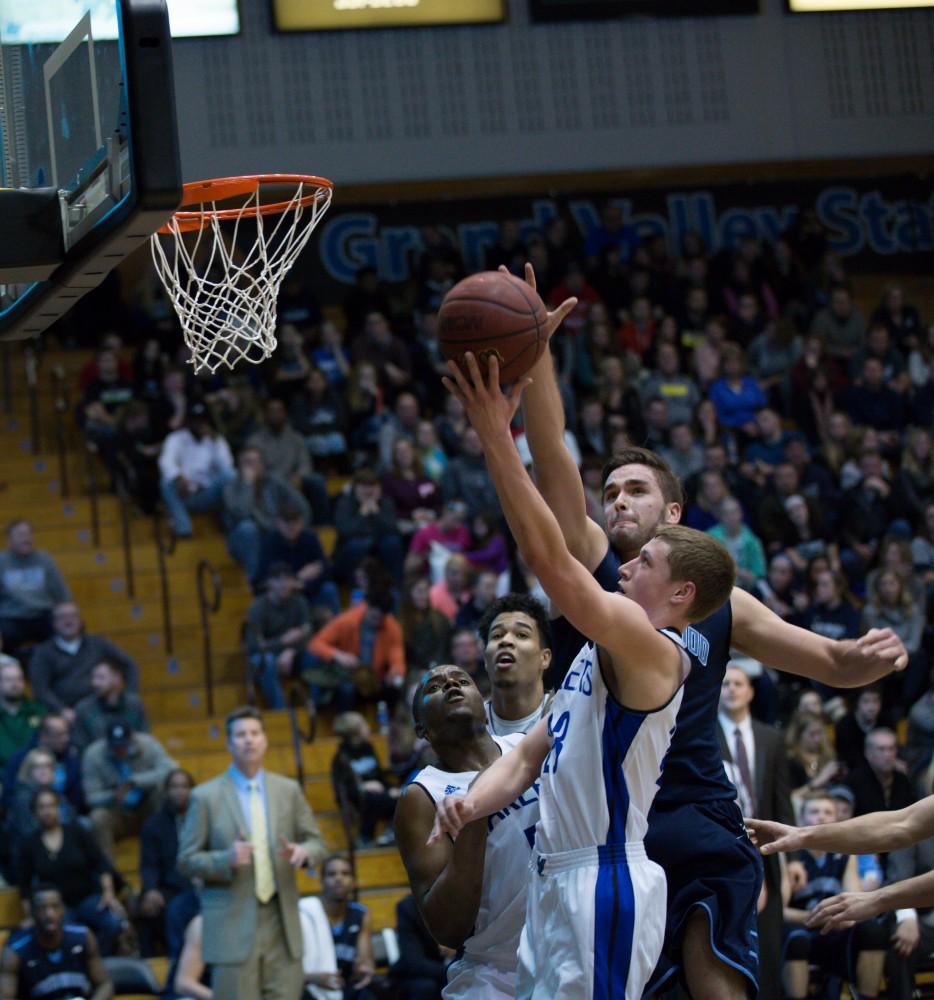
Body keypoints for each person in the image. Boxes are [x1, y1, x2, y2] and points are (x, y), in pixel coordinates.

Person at [510, 262, 906, 1000]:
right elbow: (554, 453)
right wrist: (536, 351)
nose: (616, 502)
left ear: (674, 513)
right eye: (611, 492)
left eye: (635, 491)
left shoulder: (722, 602)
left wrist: (862, 657)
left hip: (695, 812)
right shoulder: (595, 570)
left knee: (713, 981)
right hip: (601, 835)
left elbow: (827, 661)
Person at [433, 351, 738, 999]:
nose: (625, 565)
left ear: (681, 593)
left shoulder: (654, 647)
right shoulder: (591, 654)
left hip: (602, 882)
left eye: (647, 561)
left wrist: (495, 438)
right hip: (555, 883)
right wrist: (471, 803)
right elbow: (530, 755)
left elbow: (550, 557)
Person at [395, 664, 540, 998]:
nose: (451, 686)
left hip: (567, 940)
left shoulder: (525, 746)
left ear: (485, 708)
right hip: (497, 971)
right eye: (434, 688)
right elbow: (448, 928)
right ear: (421, 730)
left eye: (462, 681)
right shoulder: (422, 795)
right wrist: (475, 814)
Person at [177, 706, 328, 1000]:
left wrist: (303, 851)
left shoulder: (288, 790)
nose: (249, 740)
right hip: (231, 921)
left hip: (281, 919)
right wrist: (225, 859)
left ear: (265, 740)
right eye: (241, 734)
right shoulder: (205, 796)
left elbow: (318, 844)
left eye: (255, 733)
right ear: (229, 743)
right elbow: (185, 860)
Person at [717, 666, 796, 1000]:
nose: (731, 690)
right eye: (725, 684)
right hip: (720, 850)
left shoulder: (771, 737)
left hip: (767, 851)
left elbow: (782, 800)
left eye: (738, 684)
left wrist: (792, 859)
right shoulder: (701, 736)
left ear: (750, 691)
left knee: (768, 945)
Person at [780, 792, 887, 1000]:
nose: (821, 817)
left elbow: (855, 901)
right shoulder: (788, 855)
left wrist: (842, 917)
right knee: (796, 939)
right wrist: (814, 916)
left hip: (834, 927)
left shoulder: (846, 854)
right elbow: (778, 911)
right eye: (814, 812)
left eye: (827, 812)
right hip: (801, 926)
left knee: (873, 931)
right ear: (801, 820)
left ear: (836, 820)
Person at [16, 788, 126, 957]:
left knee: (113, 922)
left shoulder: (76, 831)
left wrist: (109, 894)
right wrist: (30, 915)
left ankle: (101, 961)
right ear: (35, 812)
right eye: (42, 807)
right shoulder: (29, 844)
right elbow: (24, 886)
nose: (47, 811)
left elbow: (101, 864)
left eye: (51, 805)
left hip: (87, 898)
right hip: (56, 906)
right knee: (61, 933)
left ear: (59, 808)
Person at [28, 602, 139, 721]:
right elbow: (40, 689)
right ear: (54, 623)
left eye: (73, 616)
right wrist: (61, 710)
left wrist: (129, 696)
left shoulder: (97, 643)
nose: (68, 621)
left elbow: (129, 665)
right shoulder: (43, 652)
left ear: (80, 621)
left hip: (99, 708)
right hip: (64, 712)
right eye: (62, 617)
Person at [82, 720, 178, 858]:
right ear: (106, 742)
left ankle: (170, 860)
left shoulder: (148, 744)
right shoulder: (93, 755)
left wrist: (136, 781)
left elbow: (171, 771)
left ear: (132, 739)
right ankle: (109, 873)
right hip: (117, 812)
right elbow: (90, 797)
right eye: (115, 747)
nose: (120, 750)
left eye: (124, 746)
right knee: (97, 818)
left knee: (166, 794)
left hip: (147, 808)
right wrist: (113, 796)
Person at [0, 885, 113, 1000]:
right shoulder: (15, 950)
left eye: (55, 907)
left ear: (63, 909)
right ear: (32, 912)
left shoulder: (83, 936)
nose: (49, 914)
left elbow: (105, 984)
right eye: (42, 908)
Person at [222, 447, 310, 584]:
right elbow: (242, 513)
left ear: (263, 465)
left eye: (256, 462)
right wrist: (248, 485)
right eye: (248, 463)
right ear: (239, 467)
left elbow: (302, 506)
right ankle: (257, 583)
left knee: (296, 529)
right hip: (243, 540)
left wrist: (296, 526)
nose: (253, 467)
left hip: (275, 532)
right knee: (247, 528)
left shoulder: (275, 481)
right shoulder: (230, 488)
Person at [139, 769, 200, 959]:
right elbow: (148, 864)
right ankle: (164, 962)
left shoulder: (203, 819)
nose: (179, 791)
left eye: (184, 786)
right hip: (170, 887)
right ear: (165, 791)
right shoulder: (153, 825)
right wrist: (151, 889)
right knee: (153, 905)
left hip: (202, 884)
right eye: (174, 787)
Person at [307, 591, 405, 708]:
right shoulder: (346, 621)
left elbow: (397, 658)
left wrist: (395, 673)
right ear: (366, 606)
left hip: (374, 680)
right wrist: (338, 655)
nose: (376, 622)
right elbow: (315, 644)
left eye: (380, 619)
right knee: (347, 690)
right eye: (373, 617)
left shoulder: (392, 628)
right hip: (349, 677)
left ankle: (389, 724)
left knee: (395, 689)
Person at [302, 854, 377, 1000]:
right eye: (331, 874)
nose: (338, 878)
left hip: (345, 984)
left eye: (345, 873)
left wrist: (363, 969)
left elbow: (366, 961)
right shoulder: (307, 912)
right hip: (312, 985)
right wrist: (313, 978)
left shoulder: (360, 914)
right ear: (321, 881)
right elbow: (290, 971)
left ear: (353, 881)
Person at [479, 594, 553, 737]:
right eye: (497, 635)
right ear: (485, 660)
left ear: (544, 658)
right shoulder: (468, 726)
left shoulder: (563, 715)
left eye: (521, 635)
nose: (505, 641)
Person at [158, 403, 235, 538]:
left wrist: (215, 441)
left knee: (231, 475)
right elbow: (165, 461)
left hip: (207, 493)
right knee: (166, 482)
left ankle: (229, 525)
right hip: (184, 494)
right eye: (196, 420)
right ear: (189, 421)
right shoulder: (176, 438)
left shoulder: (216, 439)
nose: (199, 424)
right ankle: (184, 529)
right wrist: (178, 477)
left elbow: (227, 466)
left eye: (202, 420)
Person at [244, 563, 313, 710]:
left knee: (315, 654)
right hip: (268, 656)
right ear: (269, 583)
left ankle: (315, 706)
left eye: (288, 580)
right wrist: (282, 642)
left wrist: (292, 650)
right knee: (265, 661)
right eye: (279, 580)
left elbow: (308, 633)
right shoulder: (257, 608)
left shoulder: (299, 602)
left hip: (294, 655)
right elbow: (253, 646)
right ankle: (281, 711)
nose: (285, 584)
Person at [0, 520, 71, 655]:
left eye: (28, 534)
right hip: (11, 617)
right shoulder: (1, 562)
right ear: (9, 540)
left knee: (69, 626)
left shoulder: (45, 559)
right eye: (20, 535)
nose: (26, 538)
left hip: (43, 614)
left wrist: (65, 612)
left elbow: (62, 594)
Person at [330, 712, 398, 848]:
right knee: (372, 798)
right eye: (364, 725)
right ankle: (365, 836)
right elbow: (341, 789)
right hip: (358, 798)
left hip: (380, 793)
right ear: (355, 732)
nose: (368, 728)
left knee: (403, 796)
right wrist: (362, 786)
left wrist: (392, 789)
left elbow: (379, 776)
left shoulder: (369, 748)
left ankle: (391, 831)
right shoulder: (341, 758)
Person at [72, 658, 149, 750]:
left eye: (101, 678)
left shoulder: (135, 704)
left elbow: (145, 740)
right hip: (97, 761)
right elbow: (80, 747)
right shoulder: (83, 709)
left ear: (117, 678)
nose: (95, 683)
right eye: (93, 677)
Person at [389, 893, 450, 1000]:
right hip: (417, 974)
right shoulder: (408, 907)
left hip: (450, 970)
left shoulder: (462, 901)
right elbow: (413, 962)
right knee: (426, 987)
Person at [0, 659, 45, 768]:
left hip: (33, 774)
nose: (15, 684)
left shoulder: (38, 711)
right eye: (9, 680)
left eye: (19, 679)